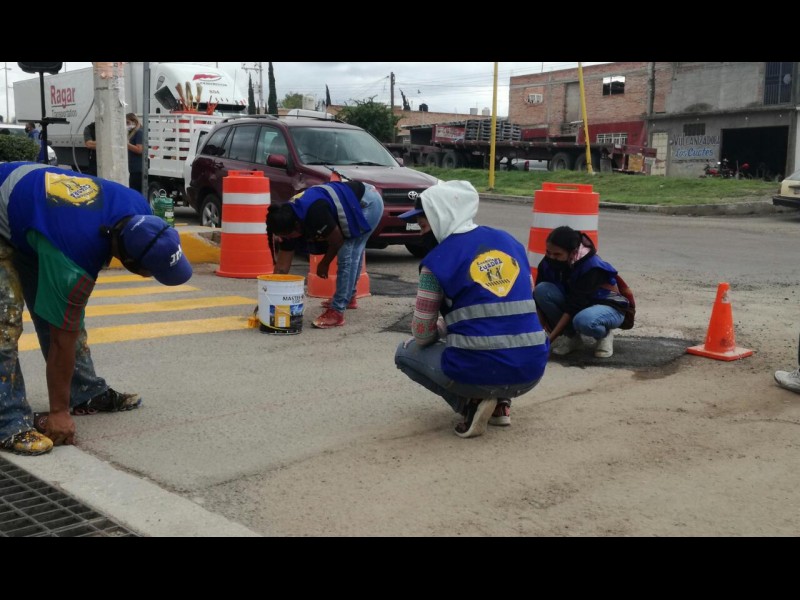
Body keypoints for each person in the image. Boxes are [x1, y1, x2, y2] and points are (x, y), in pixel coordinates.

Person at [0, 161, 193, 456]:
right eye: (151, 272)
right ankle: (8, 421)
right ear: (129, 262)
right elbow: (62, 339)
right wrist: (58, 412)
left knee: (66, 314)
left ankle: (84, 392)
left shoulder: (140, 210)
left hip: (34, 216)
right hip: (12, 211)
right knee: (5, 323)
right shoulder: (74, 254)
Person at [394, 180, 549, 438]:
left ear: (440, 217)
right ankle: (500, 405)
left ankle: (469, 404)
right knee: (493, 340)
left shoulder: (436, 263)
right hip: (531, 369)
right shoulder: (511, 243)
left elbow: (421, 333)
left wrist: (445, 329)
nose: (421, 235)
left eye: (423, 226)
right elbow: (520, 303)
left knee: (404, 353)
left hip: (477, 370)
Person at [266, 179, 384, 328]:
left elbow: (337, 240)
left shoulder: (315, 212)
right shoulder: (286, 220)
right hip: (350, 199)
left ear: (297, 226)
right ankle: (348, 297)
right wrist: (269, 301)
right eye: (283, 236)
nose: (287, 239)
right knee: (352, 250)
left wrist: (324, 263)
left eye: (289, 235)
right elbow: (281, 269)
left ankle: (337, 312)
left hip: (367, 202)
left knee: (348, 252)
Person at [533, 225, 629, 359]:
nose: (551, 257)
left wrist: (548, 342)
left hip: (608, 306)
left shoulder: (591, 267)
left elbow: (573, 307)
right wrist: (537, 335)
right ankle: (572, 338)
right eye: (548, 252)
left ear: (572, 252)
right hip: (579, 305)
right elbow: (538, 302)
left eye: (557, 254)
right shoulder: (547, 262)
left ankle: (604, 334)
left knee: (583, 321)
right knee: (541, 290)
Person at [126, 113, 144, 191]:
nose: (126, 125)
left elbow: (139, 149)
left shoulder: (139, 132)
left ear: (134, 121)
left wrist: (126, 144)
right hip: (133, 169)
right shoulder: (132, 133)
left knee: (135, 190)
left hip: (138, 169)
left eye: (128, 122)